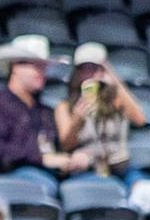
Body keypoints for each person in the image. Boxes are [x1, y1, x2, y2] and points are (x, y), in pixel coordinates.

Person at [0, 35, 91, 186]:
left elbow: (60, 147)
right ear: (16, 67)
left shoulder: (45, 112)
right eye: (36, 66)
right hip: (15, 175)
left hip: (51, 175)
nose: (42, 72)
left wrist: (77, 156)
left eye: (43, 67)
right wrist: (39, 158)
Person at [54, 43, 145, 186]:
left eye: (95, 68)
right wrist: (77, 120)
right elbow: (66, 145)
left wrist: (114, 79)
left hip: (119, 166)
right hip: (87, 168)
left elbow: (140, 119)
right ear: (77, 73)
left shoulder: (115, 99)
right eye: (85, 69)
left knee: (142, 187)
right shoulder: (65, 106)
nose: (91, 74)